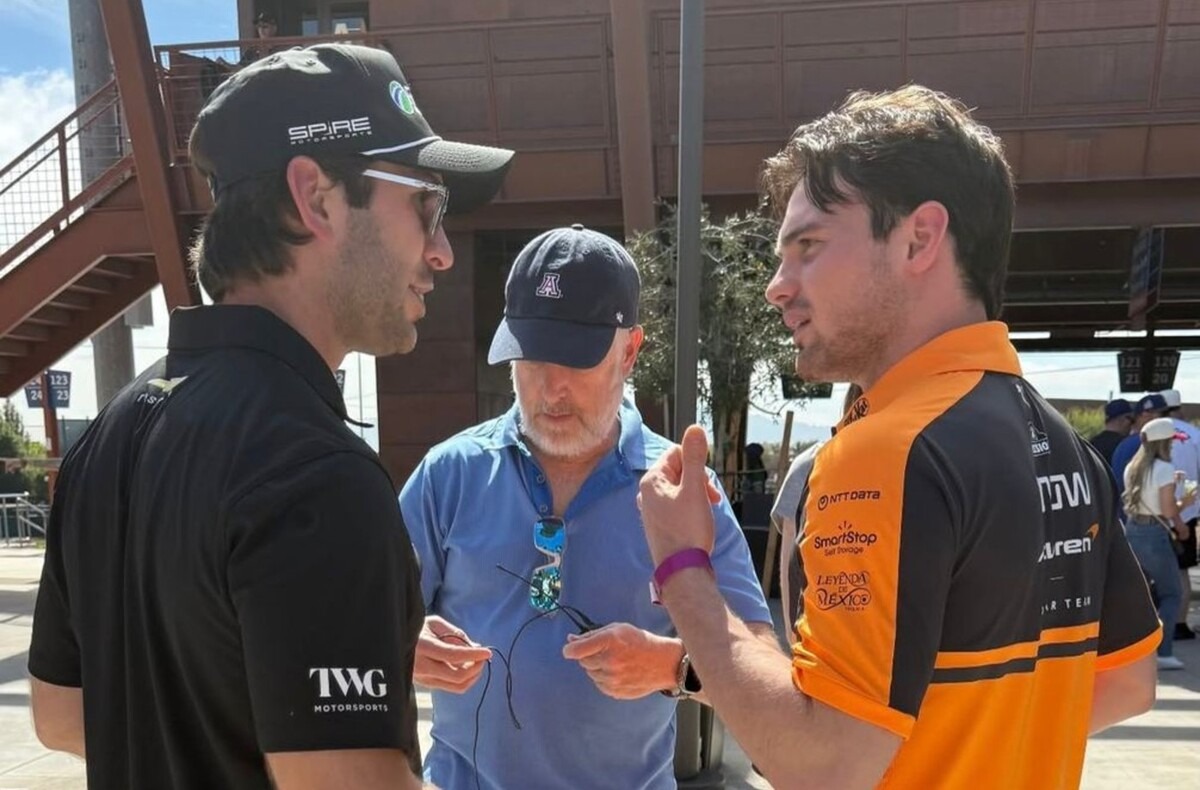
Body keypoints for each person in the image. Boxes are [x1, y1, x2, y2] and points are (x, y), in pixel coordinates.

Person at [636, 86, 1160, 789]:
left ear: (920, 238)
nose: (776, 286)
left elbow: (823, 763)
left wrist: (682, 566)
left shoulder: (884, 452)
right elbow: (1126, 683)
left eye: (809, 246)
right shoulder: (1064, 444)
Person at [27, 44, 513, 789]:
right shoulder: (315, 472)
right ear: (315, 197)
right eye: (427, 205)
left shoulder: (111, 434)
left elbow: (60, 715)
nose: (442, 251)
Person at [400, 225, 773, 790]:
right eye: (531, 358)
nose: (551, 389)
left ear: (630, 352)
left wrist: (672, 666)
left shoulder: (680, 490)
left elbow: (762, 671)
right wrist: (400, 646)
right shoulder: (448, 474)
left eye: (576, 361)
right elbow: (353, 631)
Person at [770, 383, 862, 632]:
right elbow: (791, 565)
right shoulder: (811, 464)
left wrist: (793, 637)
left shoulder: (809, 463)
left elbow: (790, 567)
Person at [1122, 416, 1193, 669]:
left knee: (1144, 594)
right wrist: (1185, 502)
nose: (1172, 446)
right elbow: (1168, 509)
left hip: (1133, 530)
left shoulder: (1133, 467)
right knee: (1171, 593)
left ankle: (1137, 650)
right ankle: (1163, 653)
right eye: (1171, 442)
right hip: (1154, 533)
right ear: (1162, 443)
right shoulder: (1163, 468)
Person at [1158, 388, 1200, 640]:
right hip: (1187, 512)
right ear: (1179, 408)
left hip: (1155, 513)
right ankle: (1180, 623)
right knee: (1181, 570)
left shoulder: (1152, 433)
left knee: (1153, 570)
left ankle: (1154, 624)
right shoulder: (1194, 434)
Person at [1112, 392, 1171, 496]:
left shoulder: (1125, 443)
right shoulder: (1145, 443)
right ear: (1145, 415)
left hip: (1126, 502)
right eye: (1163, 415)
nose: (1167, 419)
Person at [1089, 398, 1135, 466]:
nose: (1132, 425)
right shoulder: (1126, 445)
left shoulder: (1091, 443)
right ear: (1125, 419)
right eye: (1132, 420)